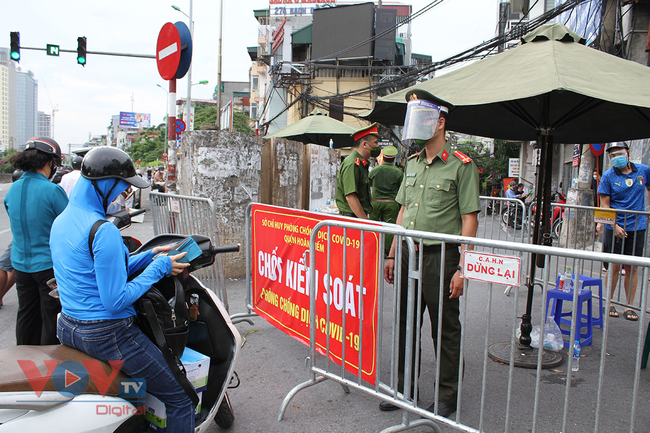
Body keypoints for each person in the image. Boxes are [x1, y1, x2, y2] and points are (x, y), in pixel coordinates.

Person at [49, 147, 195, 432]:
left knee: (135, 391)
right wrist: (159, 268)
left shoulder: (62, 221)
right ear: (105, 183)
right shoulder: (103, 230)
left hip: (69, 327)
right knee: (181, 399)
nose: (121, 196)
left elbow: (97, 269)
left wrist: (150, 255)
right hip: (108, 334)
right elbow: (115, 299)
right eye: (121, 188)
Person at [380, 90, 480, 418]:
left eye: (423, 119)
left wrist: (464, 267)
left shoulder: (461, 167)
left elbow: (469, 219)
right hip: (409, 253)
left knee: (445, 329)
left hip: (443, 257)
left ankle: (447, 397)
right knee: (405, 324)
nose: (417, 126)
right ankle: (404, 389)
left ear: (439, 123)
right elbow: (404, 211)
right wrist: (393, 254)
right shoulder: (412, 164)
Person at [4, 137, 68, 345]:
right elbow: (69, 224)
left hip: (21, 265)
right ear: (50, 162)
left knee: (26, 314)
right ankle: (47, 367)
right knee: (50, 316)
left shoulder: (13, 189)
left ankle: (22, 360)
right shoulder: (52, 190)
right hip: (48, 266)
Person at [596, 141, 650, 321]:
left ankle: (629, 305)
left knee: (632, 267)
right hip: (615, 226)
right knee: (615, 266)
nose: (616, 157)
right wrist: (614, 225)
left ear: (627, 152)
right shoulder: (608, 177)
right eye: (612, 155)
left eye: (619, 153)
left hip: (638, 227)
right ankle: (609, 302)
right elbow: (604, 205)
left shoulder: (643, 171)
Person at [335, 123, 381, 218]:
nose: (378, 146)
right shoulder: (352, 164)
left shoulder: (361, 163)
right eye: (375, 142)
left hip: (356, 217)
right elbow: (350, 197)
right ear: (365, 144)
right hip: (351, 219)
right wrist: (365, 222)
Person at [369, 145, 403, 256]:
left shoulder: (375, 170)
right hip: (391, 204)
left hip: (375, 203)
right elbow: (401, 189)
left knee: (374, 227)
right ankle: (387, 252)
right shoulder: (398, 172)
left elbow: (368, 183)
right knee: (389, 228)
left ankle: (373, 249)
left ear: (383, 157)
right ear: (394, 158)